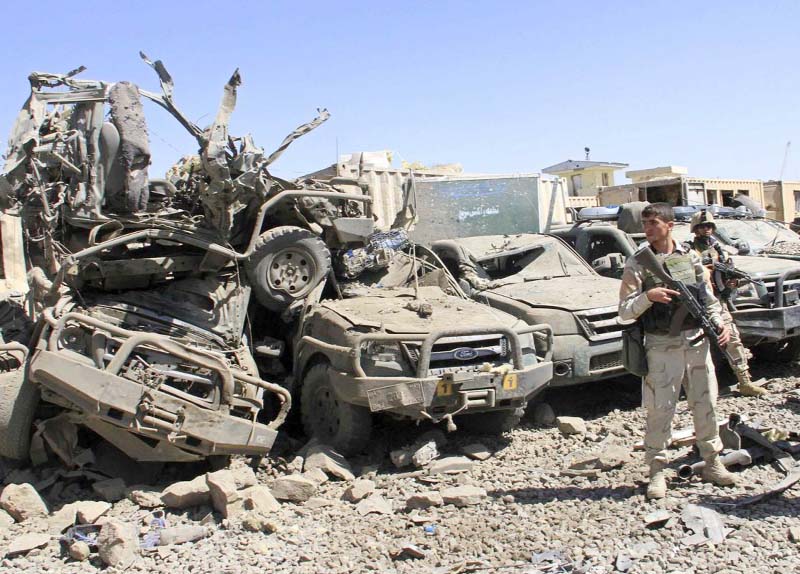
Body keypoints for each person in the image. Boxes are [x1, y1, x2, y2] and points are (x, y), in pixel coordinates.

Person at [619, 203, 736, 500]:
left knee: (706, 403)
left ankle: (711, 462)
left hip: (696, 343)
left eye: (653, 222)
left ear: (670, 225)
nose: (647, 228)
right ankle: (657, 471)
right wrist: (648, 296)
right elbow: (623, 312)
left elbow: (707, 298)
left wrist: (720, 322)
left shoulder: (690, 257)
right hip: (662, 347)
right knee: (661, 410)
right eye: (644, 223)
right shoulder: (638, 263)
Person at [684, 210, 767, 397]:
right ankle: (692, 389)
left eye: (709, 226)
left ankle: (744, 381)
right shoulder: (688, 250)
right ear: (695, 229)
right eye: (702, 226)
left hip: (717, 302)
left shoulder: (719, 250)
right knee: (691, 346)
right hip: (694, 303)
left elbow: (728, 277)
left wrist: (732, 283)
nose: (706, 230)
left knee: (732, 338)